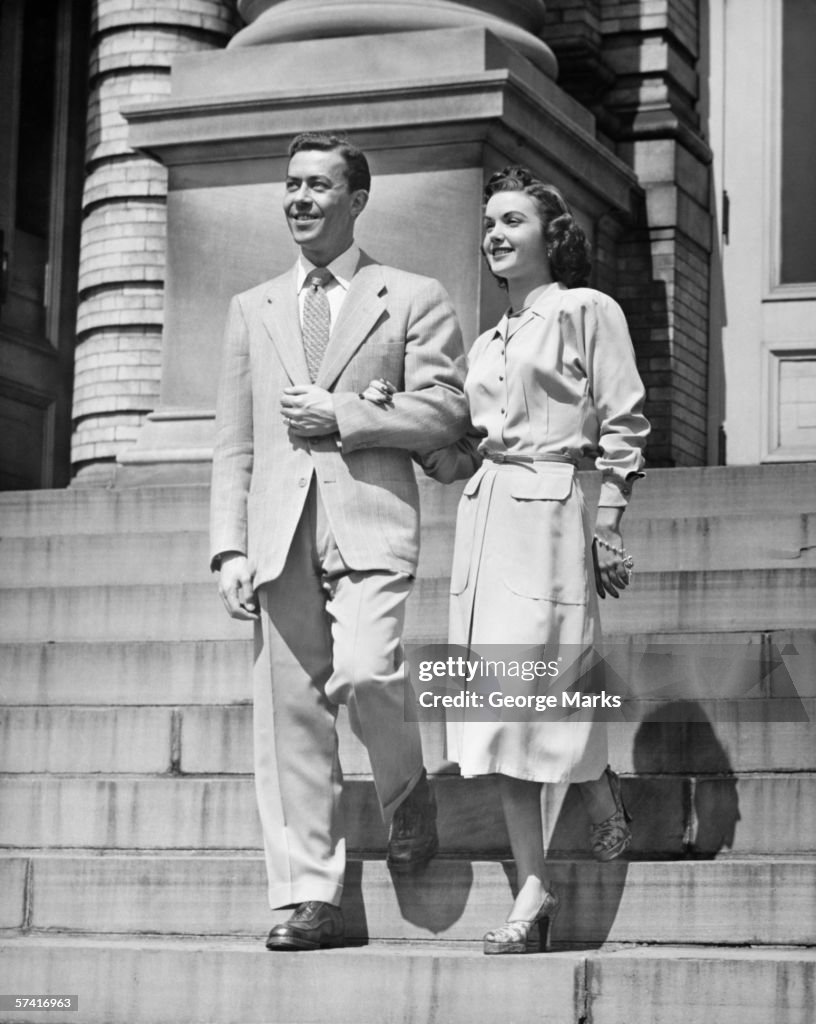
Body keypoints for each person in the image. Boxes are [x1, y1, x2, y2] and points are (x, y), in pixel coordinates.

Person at [363, 166, 649, 954]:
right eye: (488, 220)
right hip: (483, 517)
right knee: (497, 713)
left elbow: (624, 418)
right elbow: (459, 457)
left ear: (550, 236)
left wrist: (610, 521)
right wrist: (409, 428)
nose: (494, 232)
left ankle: (594, 780)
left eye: (512, 220)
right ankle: (533, 891)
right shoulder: (487, 343)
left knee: (548, 691)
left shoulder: (586, 311)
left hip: (551, 511)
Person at [209, 131, 469, 952]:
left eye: (319, 185)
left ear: (357, 199)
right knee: (289, 717)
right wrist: (227, 549)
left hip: (371, 521)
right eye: (291, 184)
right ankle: (308, 897)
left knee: (365, 670)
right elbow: (234, 444)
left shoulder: (412, 295)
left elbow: (447, 412)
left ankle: (406, 790)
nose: (301, 199)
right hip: (277, 535)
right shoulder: (251, 308)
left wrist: (349, 416)